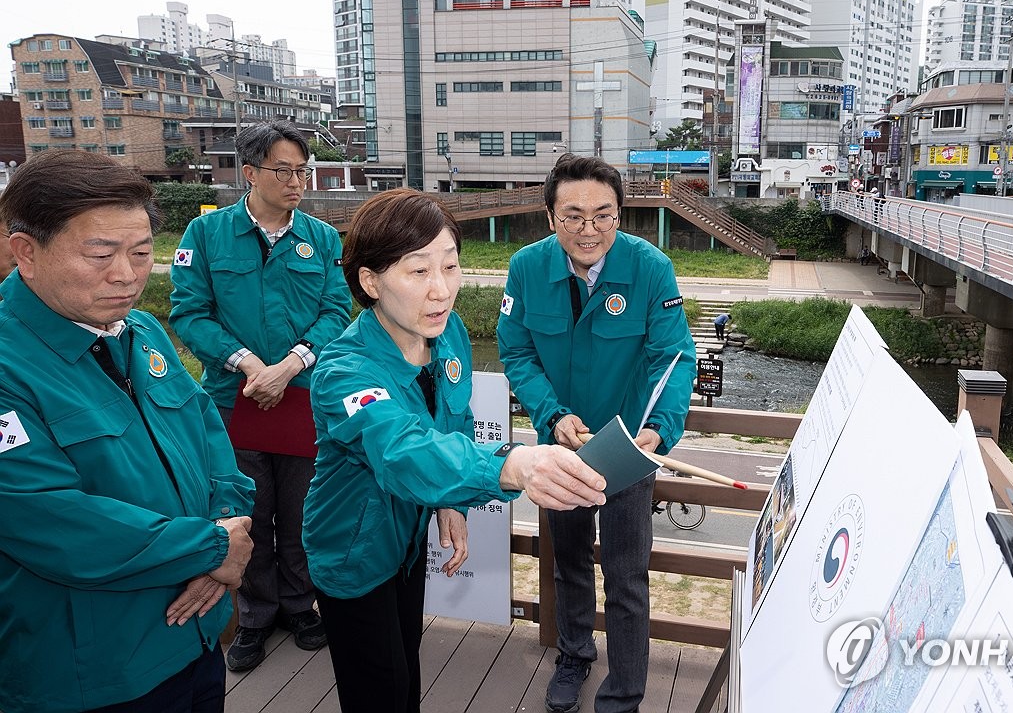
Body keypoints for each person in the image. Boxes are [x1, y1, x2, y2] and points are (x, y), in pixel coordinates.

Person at [303, 189, 606, 713]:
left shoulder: (448, 334)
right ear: (370, 281)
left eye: (450, 266)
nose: (441, 291)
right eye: (418, 272)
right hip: (350, 550)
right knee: (376, 687)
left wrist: (451, 503)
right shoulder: (344, 371)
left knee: (407, 663)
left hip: (406, 538)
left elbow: (455, 420)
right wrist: (512, 464)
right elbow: (402, 451)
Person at [0, 150, 255, 713]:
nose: (127, 275)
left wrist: (228, 528)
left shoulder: (139, 331)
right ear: (27, 253)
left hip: (194, 640)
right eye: (100, 253)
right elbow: (45, 517)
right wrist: (214, 547)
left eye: (141, 253)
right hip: (92, 671)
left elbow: (209, 437)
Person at [497, 153, 697, 713]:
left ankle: (626, 689)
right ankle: (574, 655)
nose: (589, 229)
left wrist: (658, 429)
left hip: (629, 449)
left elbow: (674, 356)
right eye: (574, 215)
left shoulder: (650, 267)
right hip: (562, 449)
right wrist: (550, 413)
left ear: (619, 215)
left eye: (603, 215)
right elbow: (515, 349)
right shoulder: (527, 268)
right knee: (570, 560)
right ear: (550, 214)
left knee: (628, 575)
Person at [170, 120, 352, 672]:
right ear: (249, 172)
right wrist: (250, 364)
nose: (298, 181)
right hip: (234, 396)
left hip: (301, 398)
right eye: (284, 170)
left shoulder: (320, 238)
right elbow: (189, 313)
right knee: (247, 511)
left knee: (300, 512)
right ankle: (253, 616)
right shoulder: (205, 236)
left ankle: (300, 606)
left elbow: (336, 310)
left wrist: (290, 364)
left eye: (304, 170)